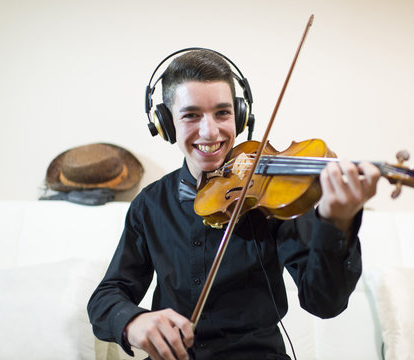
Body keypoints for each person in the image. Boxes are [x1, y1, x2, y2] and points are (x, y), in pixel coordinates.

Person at [87, 49, 380, 360]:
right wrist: (132, 322)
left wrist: (336, 223)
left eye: (222, 113)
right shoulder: (150, 204)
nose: (210, 131)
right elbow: (106, 296)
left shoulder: (270, 193)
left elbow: (324, 302)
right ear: (167, 124)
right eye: (191, 115)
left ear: (240, 117)